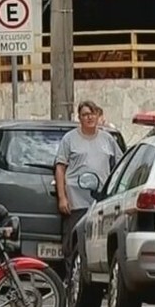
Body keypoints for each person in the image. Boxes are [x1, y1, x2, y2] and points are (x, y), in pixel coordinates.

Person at [55, 100, 123, 278]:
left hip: (101, 203)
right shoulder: (69, 139)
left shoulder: (107, 139)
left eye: (93, 114)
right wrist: (62, 197)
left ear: (97, 116)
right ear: (80, 117)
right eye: (85, 114)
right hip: (76, 201)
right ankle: (72, 279)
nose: (89, 118)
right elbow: (60, 168)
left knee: (100, 244)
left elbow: (120, 165)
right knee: (74, 243)